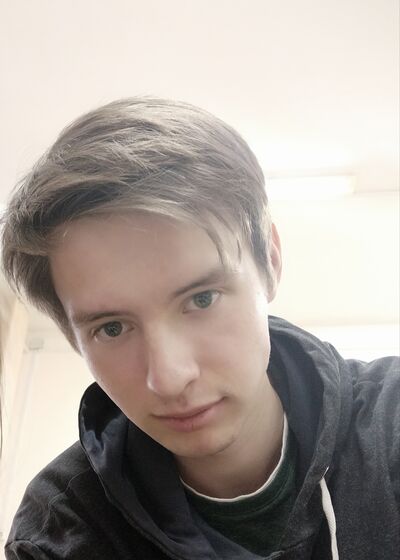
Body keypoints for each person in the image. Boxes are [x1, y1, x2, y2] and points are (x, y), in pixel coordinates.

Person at [1, 97, 399, 560]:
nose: (170, 378)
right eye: (112, 328)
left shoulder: (390, 422)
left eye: (202, 299)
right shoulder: (62, 529)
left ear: (270, 261)